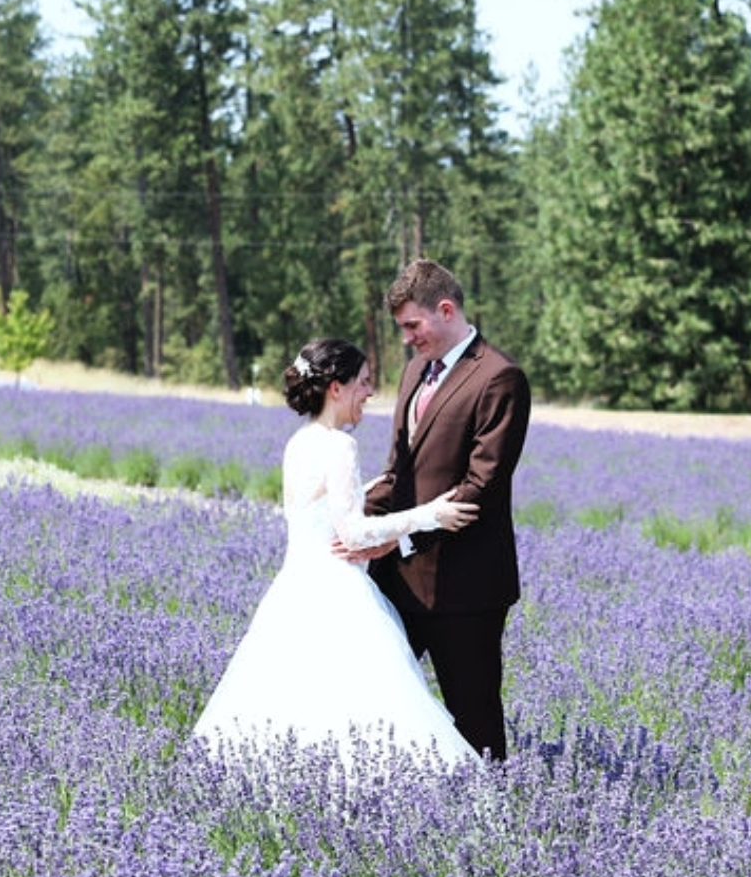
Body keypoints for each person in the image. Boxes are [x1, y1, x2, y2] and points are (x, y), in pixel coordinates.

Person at [191, 338, 479, 770]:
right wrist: (429, 515)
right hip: (338, 595)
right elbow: (354, 532)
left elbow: (318, 511)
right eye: (362, 383)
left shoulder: (299, 442)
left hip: (293, 590)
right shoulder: (340, 446)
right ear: (336, 388)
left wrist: (370, 489)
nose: (369, 392)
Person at [364, 260, 531, 762]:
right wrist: (352, 519)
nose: (408, 340)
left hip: (465, 586)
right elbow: (400, 471)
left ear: (446, 309)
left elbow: (480, 487)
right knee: (379, 698)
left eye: (414, 326)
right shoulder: (416, 371)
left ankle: (492, 818)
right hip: (396, 577)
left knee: (473, 712)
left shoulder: (500, 378)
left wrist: (401, 532)